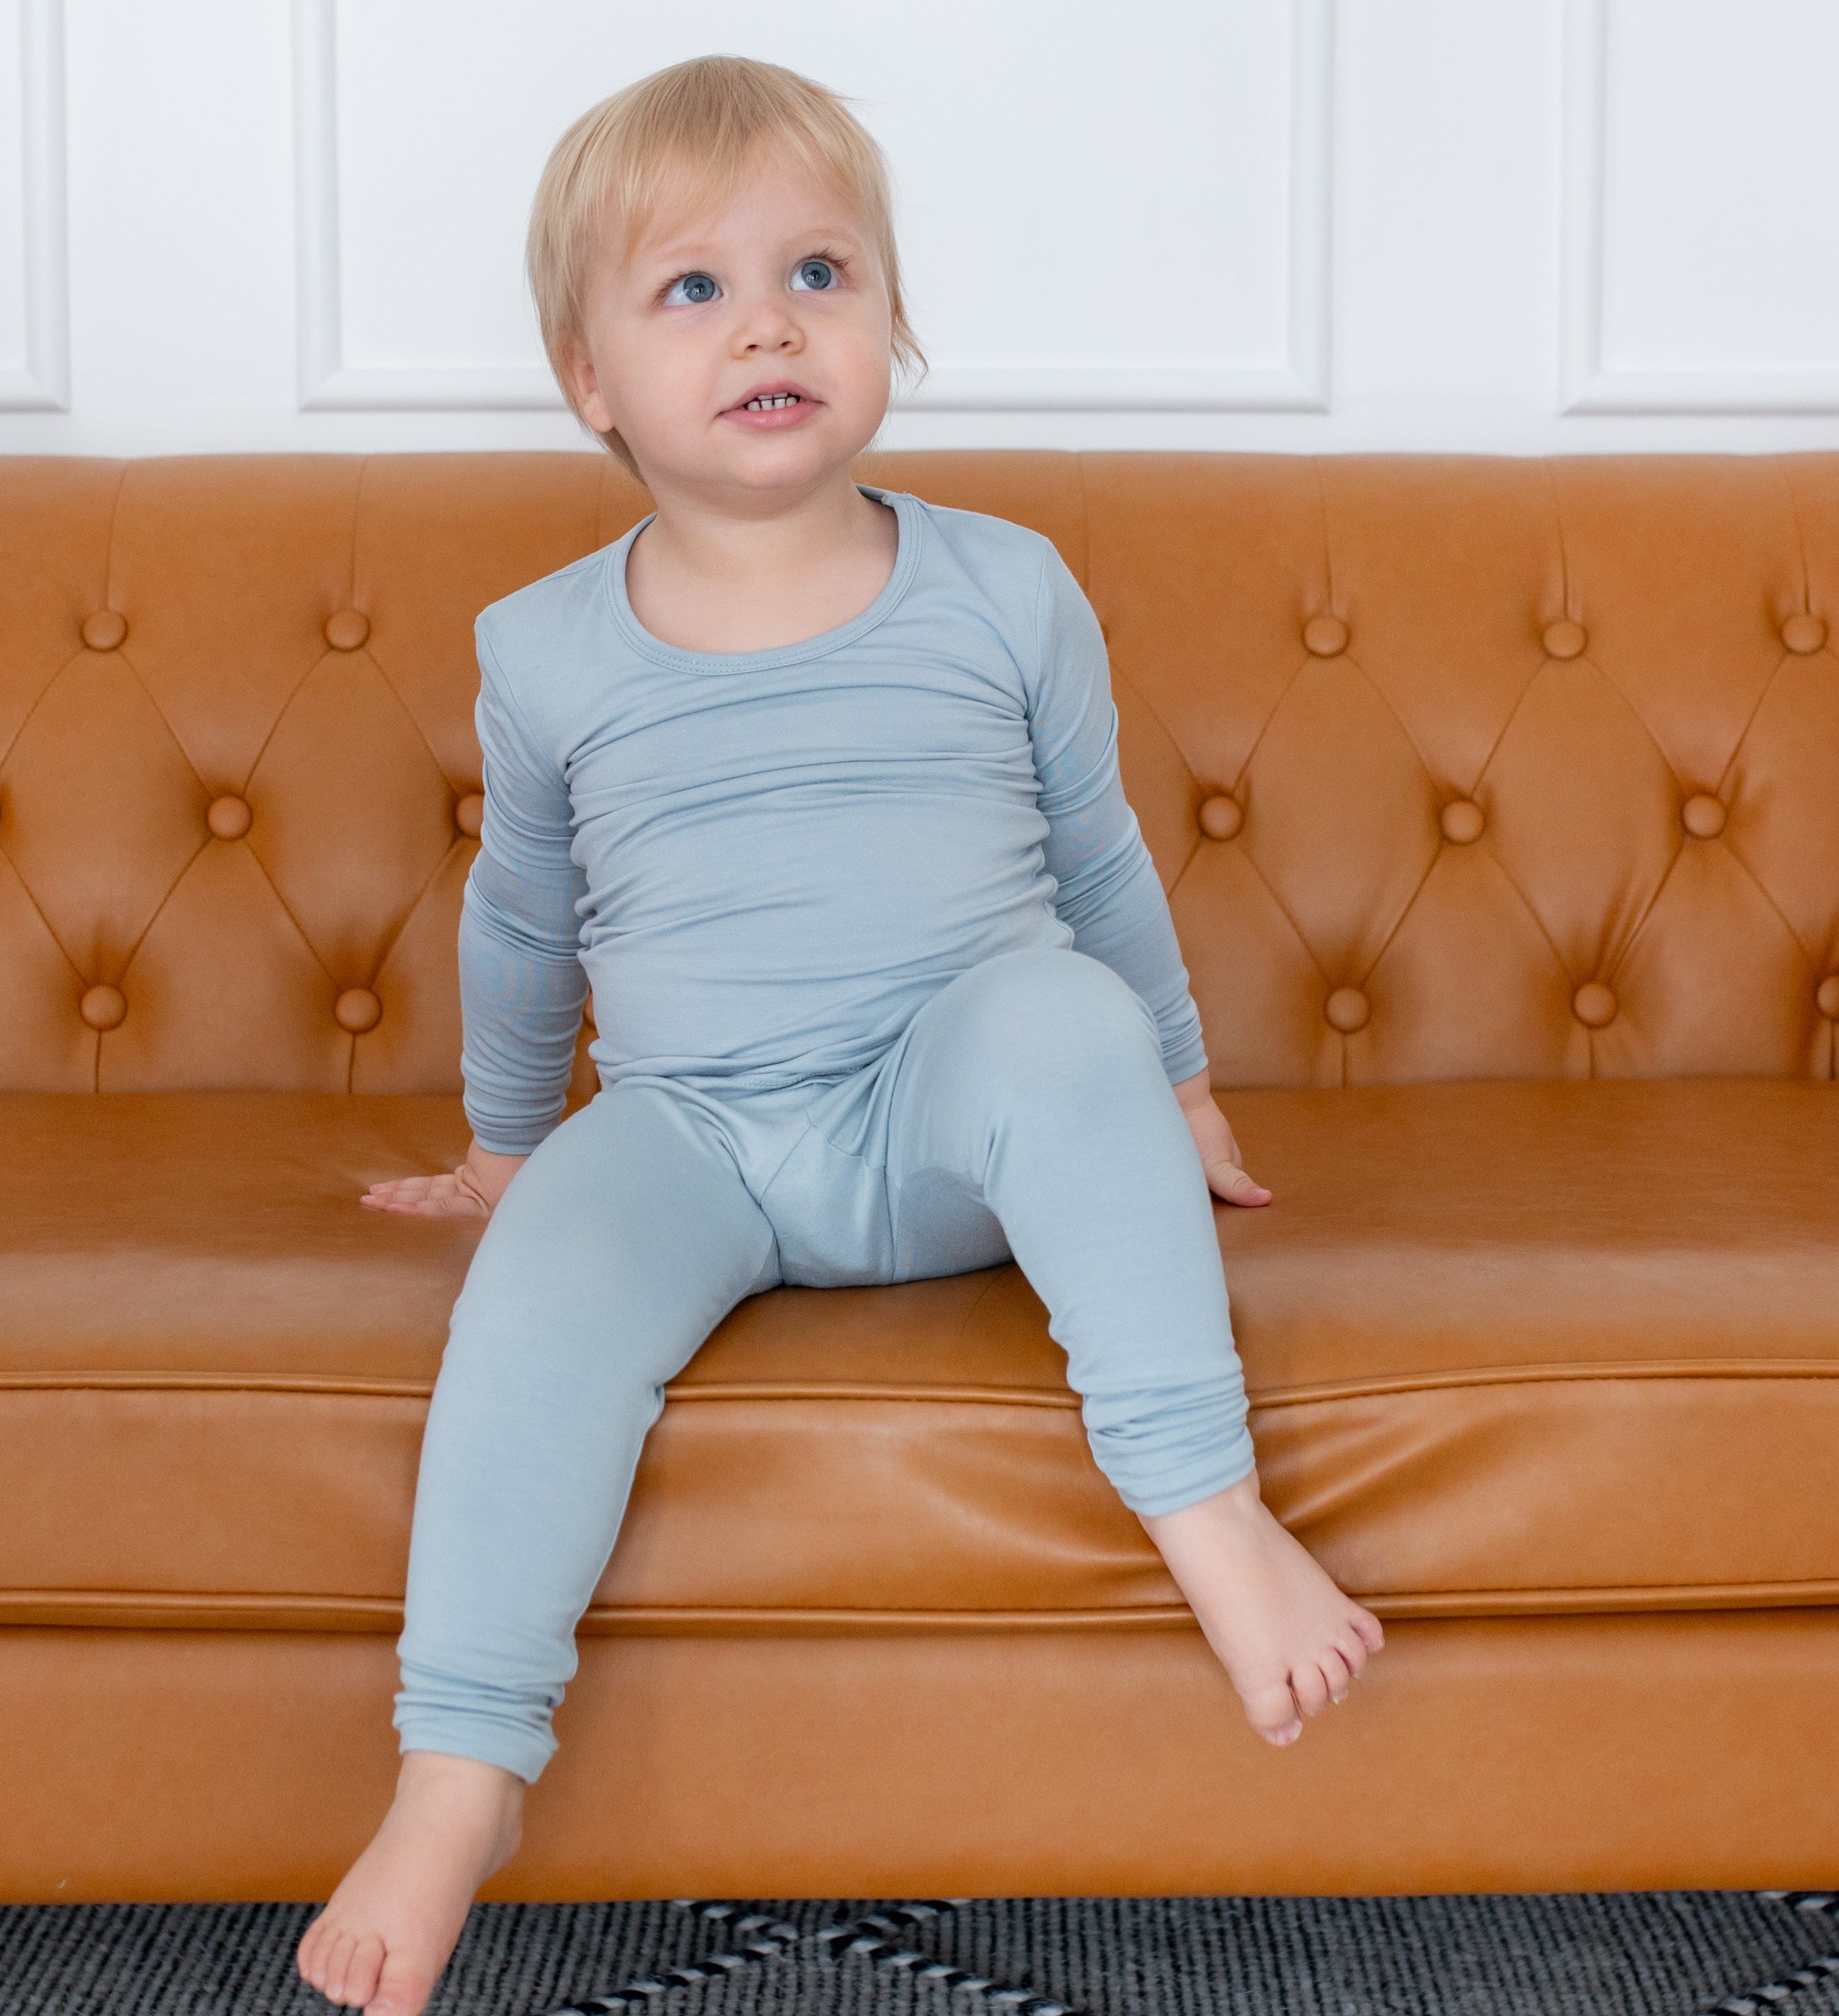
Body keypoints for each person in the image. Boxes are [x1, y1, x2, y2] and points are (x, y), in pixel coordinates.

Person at [296, 52, 1384, 2016]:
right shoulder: (541, 646)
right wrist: (501, 1145)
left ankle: (1209, 1514)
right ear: (588, 381)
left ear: (889, 324)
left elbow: (1104, 858)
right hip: (694, 1128)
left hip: (938, 1109)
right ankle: (457, 1774)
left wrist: (1185, 1089)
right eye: (690, 289)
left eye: (819, 270)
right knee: (540, 1285)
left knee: (1059, 1009)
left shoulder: (1004, 584)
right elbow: (524, 916)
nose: (769, 321)